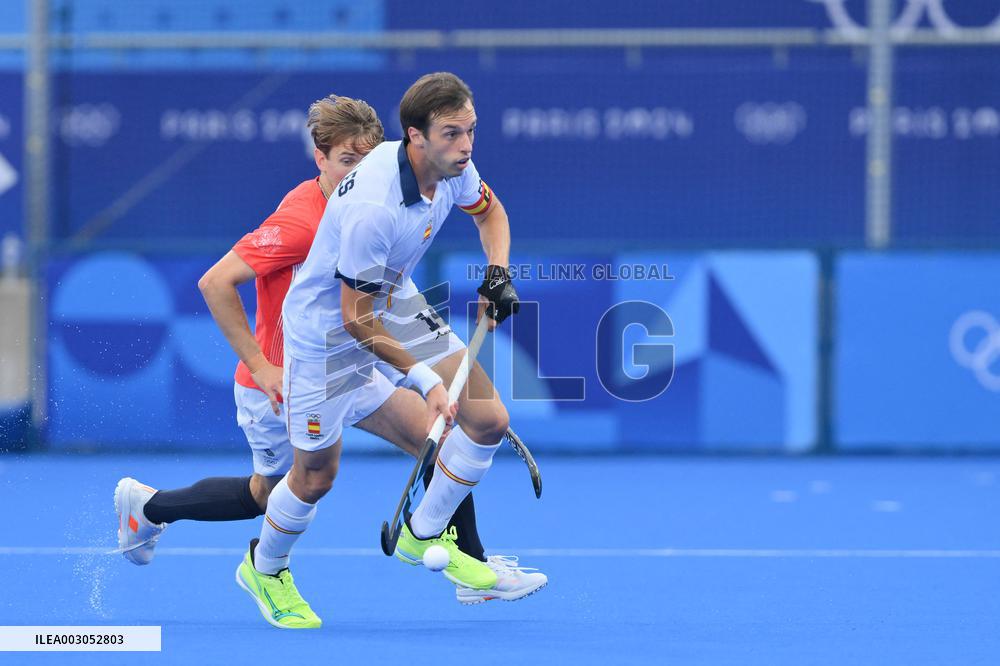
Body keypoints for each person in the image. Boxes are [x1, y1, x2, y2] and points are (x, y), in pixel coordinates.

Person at [114, 93, 544, 629]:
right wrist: (262, 365)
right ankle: (165, 516)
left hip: (374, 324)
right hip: (297, 363)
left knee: (448, 429)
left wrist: (493, 277)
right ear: (320, 157)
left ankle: (463, 561)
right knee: (282, 489)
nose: (359, 171)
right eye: (346, 160)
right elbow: (218, 283)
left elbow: (474, 222)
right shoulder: (310, 220)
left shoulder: (432, 170)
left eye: (366, 158)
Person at [239, 71, 544, 627]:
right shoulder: (374, 206)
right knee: (314, 477)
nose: (466, 146)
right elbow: (355, 320)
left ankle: (423, 531)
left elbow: (491, 214)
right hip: (326, 335)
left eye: (471, 131)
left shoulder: (454, 167)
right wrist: (426, 381)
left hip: (393, 299)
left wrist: (497, 273)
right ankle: (266, 567)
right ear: (415, 136)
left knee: (488, 419)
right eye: (452, 134)